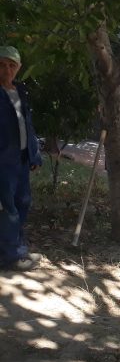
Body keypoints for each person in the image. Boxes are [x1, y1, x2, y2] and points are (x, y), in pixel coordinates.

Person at [0, 45, 43, 272]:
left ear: (19, 68)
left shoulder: (20, 91)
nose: (7, 69)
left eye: (12, 65)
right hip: (3, 163)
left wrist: (34, 154)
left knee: (22, 203)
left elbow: (27, 125)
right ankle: (12, 257)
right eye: (2, 64)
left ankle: (15, 248)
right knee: (8, 209)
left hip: (22, 160)